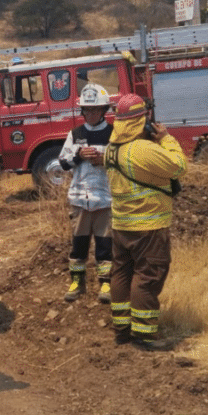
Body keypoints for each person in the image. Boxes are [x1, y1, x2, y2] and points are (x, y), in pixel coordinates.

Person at [104, 94, 187, 351]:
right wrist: (165, 139)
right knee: (147, 277)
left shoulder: (111, 148)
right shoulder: (142, 149)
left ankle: (122, 330)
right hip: (148, 227)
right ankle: (143, 336)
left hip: (121, 225)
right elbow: (178, 167)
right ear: (142, 119)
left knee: (121, 274)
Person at [58, 83, 114, 304]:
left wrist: (105, 159)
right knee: (79, 243)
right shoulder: (75, 134)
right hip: (80, 199)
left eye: (95, 110)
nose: (90, 114)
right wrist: (79, 155)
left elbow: (122, 161)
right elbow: (62, 163)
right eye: (87, 110)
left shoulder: (114, 134)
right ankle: (77, 282)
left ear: (103, 110)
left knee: (104, 244)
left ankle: (106, 284)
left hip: (105, 199)